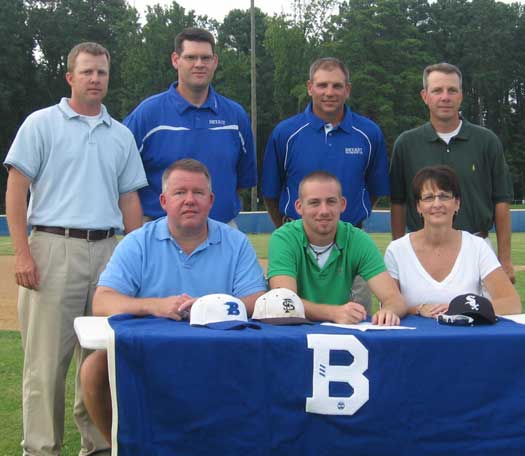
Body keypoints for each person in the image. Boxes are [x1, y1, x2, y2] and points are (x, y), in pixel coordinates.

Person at [4, 42, 147, 456]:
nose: (95, 79)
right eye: (87, 72)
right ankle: (42, 448)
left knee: (102, 360)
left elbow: (130, 201)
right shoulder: (40, 123)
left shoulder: (120, 135)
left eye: (102, 72)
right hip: (52, 246)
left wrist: (135, 259)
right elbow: (16, 188)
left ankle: (99, 446)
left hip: (108, 252)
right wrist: (22, 253)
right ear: (70, 76)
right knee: (46, 365)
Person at [80, 159, 266, 444]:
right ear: (164, 201)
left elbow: (256, 299)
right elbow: (103, 301)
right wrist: (154, 306)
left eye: (198, 193)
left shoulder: (235, 242)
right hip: (149, 352)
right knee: (94, 368)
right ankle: (122, 447)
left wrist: (208, 306)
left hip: (222, 352)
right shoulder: (138, 242)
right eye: (180, 193)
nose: (189, 200)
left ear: (211, 200)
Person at [262, 57, 390, 313]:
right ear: (310, 87)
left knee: (356, 320)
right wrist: (296, 230)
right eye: (322, 85)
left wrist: (348, 221)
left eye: (336, 86)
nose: (329, 93)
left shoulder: (369, 133)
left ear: (347, 89)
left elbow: (375, 189)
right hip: (296, 241)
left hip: (350, 243)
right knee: (290, 313)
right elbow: (270, 192)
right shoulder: (285, 133)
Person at [390, 62, 515, 284]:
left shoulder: (486, 141)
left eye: (452, 90)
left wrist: (505, 259)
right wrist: (399, 256)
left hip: (477, 249)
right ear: (425, 96)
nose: (445, 97)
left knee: (485, 316)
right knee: (419, 316)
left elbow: (501, 201)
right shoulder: (406, 144)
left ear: (461, 96)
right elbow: (398, 203)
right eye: (437, 90)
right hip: (420, 252)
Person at [123, 27, 257, 224]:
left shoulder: (235, 116)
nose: (199, 64)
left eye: (206, 58)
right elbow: (124, 180)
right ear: (176, 60)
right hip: (159, 233)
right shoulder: (147, 114)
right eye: (191, 57)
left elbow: (242, 180)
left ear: (215, 62)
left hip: (221, 231)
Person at [267, 171, 406, 325]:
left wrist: (389, 311)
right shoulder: (284, 238)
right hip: (293, 331)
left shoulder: (357, 239)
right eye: (314, 202)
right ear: (299, 207)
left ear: (342, 204)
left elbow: (395, 299)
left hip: (339, 333)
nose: (324, 211)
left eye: (331, 201)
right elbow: (285, 302)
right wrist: (333, 312)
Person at [385, 165, 520, 318]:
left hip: (467, 339)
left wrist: (460, 308)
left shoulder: (477, 246)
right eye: (429, 197)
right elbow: (388, 307)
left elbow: (511, 302)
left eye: (444, 196)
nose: (437, 204)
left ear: (457, 203)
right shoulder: (396, 251)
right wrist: (418, 308)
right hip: (412, 340)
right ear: (418, 206)